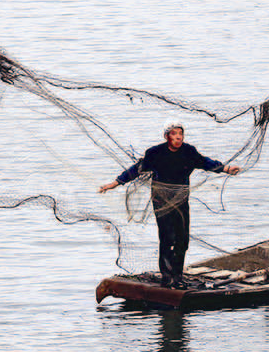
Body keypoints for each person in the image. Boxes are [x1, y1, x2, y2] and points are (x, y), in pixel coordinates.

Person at [99, 122, 241, 288]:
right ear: (167, 137)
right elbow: (136, 169)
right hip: (161, 200)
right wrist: (115, 183)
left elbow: (205, 162)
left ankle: (177, 276)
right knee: (167, 237)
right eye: (174, 134)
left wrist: (226, 168)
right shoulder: (155, 153)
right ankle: (167, 277)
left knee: (182, 239)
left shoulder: (189, 151)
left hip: (181, 199)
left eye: (180, 133)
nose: (178, 137)